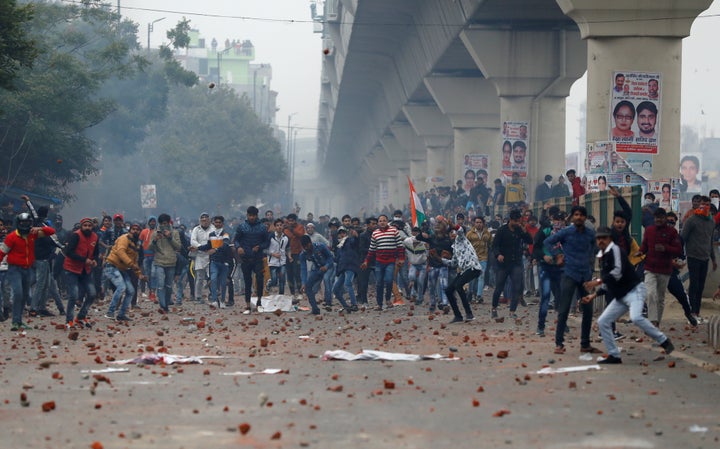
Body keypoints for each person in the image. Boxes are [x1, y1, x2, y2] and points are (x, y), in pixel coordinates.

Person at [586, 226, 674, 364]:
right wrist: (594, 295)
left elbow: (617, 272)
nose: (601, 241)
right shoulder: (602, 256)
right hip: (621, 296)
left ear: (610, 239)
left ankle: (663, 340)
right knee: (603, 321)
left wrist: (596, 282)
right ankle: (614, 355)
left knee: (636, 317)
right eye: (599, 238)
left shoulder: (616, 250)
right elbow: (607, 282)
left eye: (604, 238)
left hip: (634, 290)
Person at [543, 205, 600, 355]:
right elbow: (548, 242)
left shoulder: (590, 234)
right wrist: (558, 255)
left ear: (585, 217)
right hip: (569, 274)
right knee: (564, 309)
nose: (579, 217)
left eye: (582, 215)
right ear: (573, 217)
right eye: (576, 214)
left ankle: (585, 344)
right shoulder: (566, 232)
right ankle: (559, 343)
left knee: (587, 310)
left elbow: (597, 248)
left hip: (585, 275)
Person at [0, 213, 55, 331]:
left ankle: (19, 321)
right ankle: (15, 321)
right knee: (18, 293)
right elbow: (2, 252)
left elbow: (51, 231)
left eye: (28, 223)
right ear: (18, 224)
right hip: (14, 269)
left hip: (28, 269)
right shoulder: (11, 237)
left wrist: (39, 228)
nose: (25, 225)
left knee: (24, 295)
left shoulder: (33, 234)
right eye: (23, 223)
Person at [635, 208, 682, 326]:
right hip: (650, 268)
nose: (658, 220)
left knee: (660, 298)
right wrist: (640, 252)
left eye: (661, 218)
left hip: (665, 270)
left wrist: (666, 248)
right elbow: (645, 245)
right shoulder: (649, 230)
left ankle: (657, 323)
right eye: (657, 218)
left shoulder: (672, 232)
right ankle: (652, 320)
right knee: (650, 294)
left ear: (665, 218)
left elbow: (678, 250)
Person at [490, 209, 533, 320]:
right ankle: (494, 308)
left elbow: (530, 241)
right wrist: (498, 255)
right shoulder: (502, 230)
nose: (518, 223)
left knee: (517, 287)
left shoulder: (519, 230)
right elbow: (494, 246)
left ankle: (512, 311)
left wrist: (524, 231)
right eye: (516, 221)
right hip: (503, 264)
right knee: (499, 287)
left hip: (516, 263)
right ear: (510, 220)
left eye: (519, 221)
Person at [680, 196, 717, 323]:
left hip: (705, 257)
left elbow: (710, 241)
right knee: (694, 285)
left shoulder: (711, 222)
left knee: (700, 286)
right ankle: (691, 313)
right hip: (693, 256)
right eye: (703, 204)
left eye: (707, 204)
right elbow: (682, 238)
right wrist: (680, 255)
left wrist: (713, 259)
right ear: (698, 205)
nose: (705, 206)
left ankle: (697, 312)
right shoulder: (691, 220)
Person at [103, 222, 146, 322]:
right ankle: (110, 312)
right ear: (129, 230)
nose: (135, 231)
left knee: (131, 291)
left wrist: (139, 274)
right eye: (133, 229)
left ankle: (121, 314)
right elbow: (120, 252)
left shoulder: (136, 243)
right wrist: (131, 264)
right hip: (112, 266)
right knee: (121, 287)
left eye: (137, 229)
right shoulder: (124, 238)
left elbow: (135, 260)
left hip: (123, 269)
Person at [361, 215, 405, 311]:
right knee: (379, 283)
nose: (382, 222)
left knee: (389, 280)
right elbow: (372, 249)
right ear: (378, 223)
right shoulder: (375, 233)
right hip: (379, 262)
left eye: (384, 220)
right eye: (380, 221)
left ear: (387, 221)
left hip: (390, 261)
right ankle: (379, 304)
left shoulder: (394, 231)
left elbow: (400, 246)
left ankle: (388, 298)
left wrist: (401, 258)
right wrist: (366, 261)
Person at [63, 217, 100, 330]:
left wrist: (95, 260)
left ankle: (81, 316)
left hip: (86, 270)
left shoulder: (95, 237)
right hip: (72, 269)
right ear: (81, 226)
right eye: (85, 226)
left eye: (89, 226)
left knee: (92, 293)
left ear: (92, 227)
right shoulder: (76, 235)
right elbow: (69, 252)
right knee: (73, 295)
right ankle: (69, 320)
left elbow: (96, 252)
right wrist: (84, 260)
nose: (87, 228)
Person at [234, 206, 270, 314]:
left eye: (254, 216)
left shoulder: (262, 228)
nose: (252, 217)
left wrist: (259, 246)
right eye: (250, 215)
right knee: (247, 281)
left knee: (259, 279)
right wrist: (238, 247)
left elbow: (267, 242)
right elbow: (236, 240)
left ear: (257, 216)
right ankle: (248, 305)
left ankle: (259, 302)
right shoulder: (242, 227)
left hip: (258, 257)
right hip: (245, 257)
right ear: (247, 215)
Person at [444, 226, 482, 324]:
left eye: (453, 232)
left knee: (458, 285)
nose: (452, 234)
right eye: (450, 233)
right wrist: (440, 259)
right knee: (448, 290)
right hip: (465, 270)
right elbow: (453, 263)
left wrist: (453, 225)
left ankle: (469, 314)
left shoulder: (461, 239)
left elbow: (460, 230)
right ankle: (458, 315)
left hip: (473, 267)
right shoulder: (455, 247)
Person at [199, 216, 233, 309]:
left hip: (224, 261)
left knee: (222, 282)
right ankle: (214, 300)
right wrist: (198, 247)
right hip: (214, 261)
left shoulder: (225, 234)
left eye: (219, 222)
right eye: (216, 222)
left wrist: (215, 249)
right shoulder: (211, 234)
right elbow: (208, 246)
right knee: (213, 280)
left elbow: (225, 245)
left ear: (222, 223)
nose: (217, 224)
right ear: (213, 223)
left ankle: (222, 301)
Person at [150, 213, 180, 313]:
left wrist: (170, 237)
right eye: (162, 224)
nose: (164, 226)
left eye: (166, 223)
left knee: (168, 285)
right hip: (159, 261)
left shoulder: (175, 232)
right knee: (160, 284)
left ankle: (167, 303)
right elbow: (150, 247)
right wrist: (155, 240)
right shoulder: (155, 233)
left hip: (171, 262)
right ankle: (163, 306)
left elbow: (178, 247)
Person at [299, 235, 335, 315]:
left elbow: (330, 257)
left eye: (308, 246)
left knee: (326, 279)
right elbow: (303, 269)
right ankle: (315, 309)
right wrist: (303, 282)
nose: (307, 248)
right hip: (317, 269)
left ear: (310, 243)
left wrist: (326, 266)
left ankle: (328, 302)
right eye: (305, 247)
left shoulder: (320, 246)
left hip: (329, 267)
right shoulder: (303, 254)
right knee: (308, 287)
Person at [331, 226, 358, 312]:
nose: (342, 235)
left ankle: (354, 304)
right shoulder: (339, 247)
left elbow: (355, 242)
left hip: (350, 267)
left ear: (346, 234)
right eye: (340, 233)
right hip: (342, 269)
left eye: (343, 233)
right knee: (335, 289)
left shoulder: (349, 241)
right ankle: (346, 306)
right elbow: (337, 259)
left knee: (348, 283)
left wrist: (356, 237)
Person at [466, 216, 492, 303]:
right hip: (472, 258)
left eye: (480, 222)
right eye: (477, 222)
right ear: (474, 223)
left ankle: (479, 295)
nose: (478, 224)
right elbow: (465, 245)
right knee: (473, 278)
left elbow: (491, 243)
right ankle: (470, 293)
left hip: (483, 258)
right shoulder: (469, 234)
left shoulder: (487, 233)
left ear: (483, 223)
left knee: (481, 276)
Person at [189, 212, 214, 303]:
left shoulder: (213, 229)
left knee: (212, 276)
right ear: (200, 220)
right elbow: (193, 241)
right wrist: (201, 247)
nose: (204, 220)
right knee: (199, 278)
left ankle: (212, 294)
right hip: (199, 255)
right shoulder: (196, 229)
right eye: (202, 219)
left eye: (206, 218)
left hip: (211, 255)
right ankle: (198, 296)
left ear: (209, 220)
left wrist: (208, 249)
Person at [404, 227, 428, 305]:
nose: (415, 234)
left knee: (421, 281)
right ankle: (413, 293)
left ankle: (420, 298)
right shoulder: (407, 241)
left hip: (423, 264)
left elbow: (428, 252)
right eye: (413, 232)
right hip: (413, 264)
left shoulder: (424, 242)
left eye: (417, 232)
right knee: (411, 276)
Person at [283, 213, 305, 299]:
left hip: (297, 253)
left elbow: (301, 235)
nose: (291, 222)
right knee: (289, 274)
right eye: (289, 221)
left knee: (297, 273)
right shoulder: (285, 229)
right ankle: (292, 293)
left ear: (295, 221)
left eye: (292, 221)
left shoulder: (300, 227)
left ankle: (300, 292)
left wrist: (291, 229)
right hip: (287, 254)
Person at [267, 218, 288, 295]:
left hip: (282, 261)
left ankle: (281, 296)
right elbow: (265, 250)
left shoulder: (286, 237)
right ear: (275, 227)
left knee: (282, 279)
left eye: (281, 225)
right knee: (274, 280)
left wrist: (289, 255)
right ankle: (269, 283)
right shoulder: (270, 236)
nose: (279, 227)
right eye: (277, 225)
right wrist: (273, 254)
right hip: (272, 261)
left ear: (283, 226)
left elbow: (288, 248)